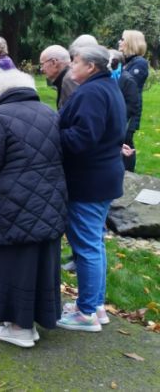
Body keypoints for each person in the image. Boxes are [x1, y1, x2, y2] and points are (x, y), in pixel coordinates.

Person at [0, 70, 67, 347]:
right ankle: (32, 321)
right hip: (48, 199)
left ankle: (19, 328)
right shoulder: (49, 112)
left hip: (10, 201)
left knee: (12, 262)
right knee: (39, 261)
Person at [57, 45, 126, 331]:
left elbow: (83, 138)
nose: (71, 66)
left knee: (86, 246)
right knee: (94, 242)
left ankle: (85, 314)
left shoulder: (92, 92)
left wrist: (52, 132)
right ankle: (95, 306)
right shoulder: (108, 87)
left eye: (76, 62)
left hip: (89, 180)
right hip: (103, 176)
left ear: (91, 67)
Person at [118, 30, 149, 171]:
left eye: (123, 39)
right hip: (122, 108)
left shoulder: (140, 63)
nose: (120, 41)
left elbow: (129, 86)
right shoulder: (128, 62)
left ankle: (129, 173)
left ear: (131, 42)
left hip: (129, 112)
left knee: (126, 141)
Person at [109, 50, 140, 172]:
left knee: (127, 146)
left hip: (124, 122)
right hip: (114, 121)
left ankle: (128, 172)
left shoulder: (127, 79)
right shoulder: (111, 77)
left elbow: (133, 106)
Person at [40, 45, 78, 109]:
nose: (41, 69)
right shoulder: (67, 77)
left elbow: (75, 111)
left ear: (54, 62)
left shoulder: (69, 79)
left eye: (42, 64)